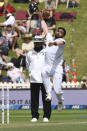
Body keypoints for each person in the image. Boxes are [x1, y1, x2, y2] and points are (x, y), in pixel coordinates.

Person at [41, 19, 66, 111]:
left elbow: (60, 42)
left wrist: (54, 43)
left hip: (57, 68)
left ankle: (60, 101)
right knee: (43, 71)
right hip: (48, 67)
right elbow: (45, 28)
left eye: (61, 32)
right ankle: (48, 93)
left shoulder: (62, 41)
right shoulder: (49, 38)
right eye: (58, 31)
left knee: (57, 90)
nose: (59, 32)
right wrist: (41, 18)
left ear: (63, 35)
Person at [26, 35, 51, 122]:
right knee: (34, 99)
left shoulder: (47, 51)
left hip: (45, 78)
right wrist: (31, 73)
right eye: (36, 42)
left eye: (39, 42)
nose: (37, 44)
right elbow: (27, 65)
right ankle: (34, 116)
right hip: (34, 78)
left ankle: (46, 116)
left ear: (42, 43)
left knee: (46, 98)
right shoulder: (30, 53)